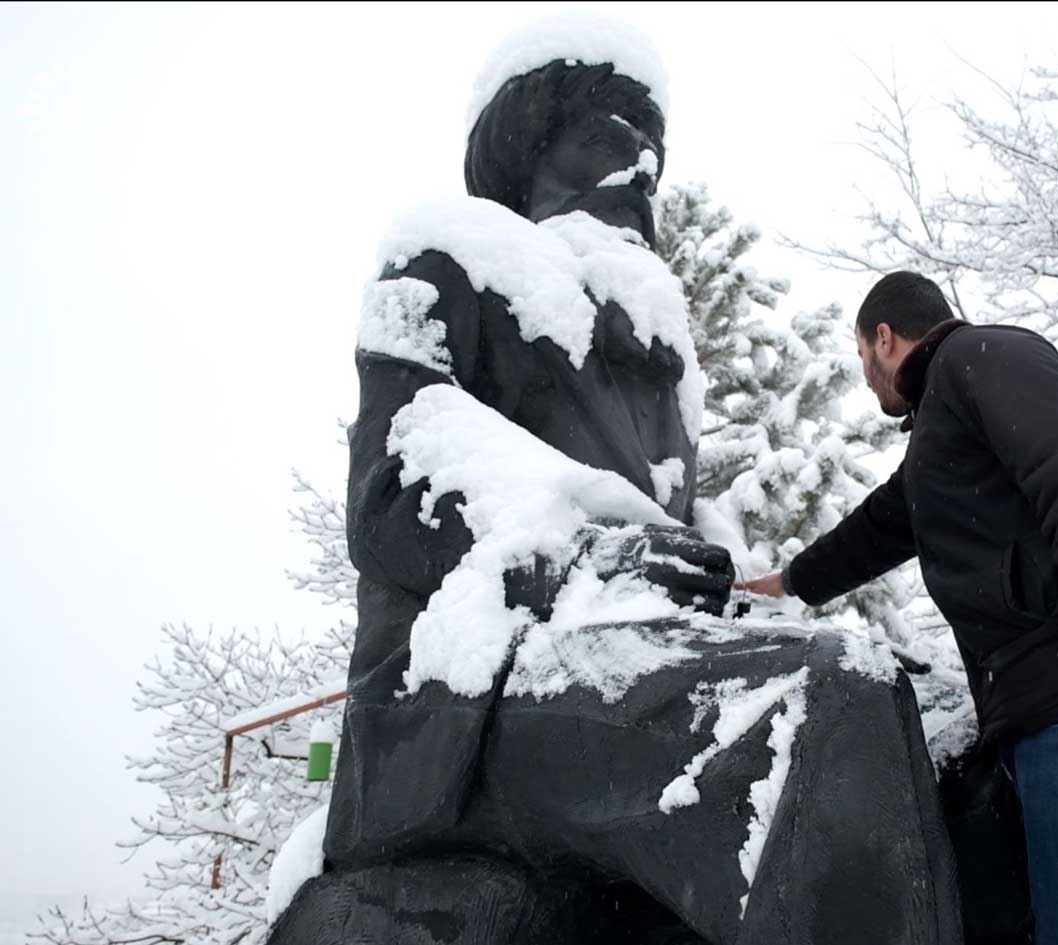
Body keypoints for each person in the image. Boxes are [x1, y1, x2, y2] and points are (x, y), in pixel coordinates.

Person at [273, 36, 971, 945]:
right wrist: (589, 547)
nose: (644, 163)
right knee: (819, 702)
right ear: (527, 151)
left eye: (655, 149)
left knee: (949, 725)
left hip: (619, 659)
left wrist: (748, 586)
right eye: (613, 135)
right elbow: (398, 477)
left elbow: (680, 533)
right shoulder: (441, 256)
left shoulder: (662, 366)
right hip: (473, 685)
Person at [739, 272, 1058, 945]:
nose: (865, 378)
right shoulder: (941, 436)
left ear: (883, 337)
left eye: (861, 357)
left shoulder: (983, 356)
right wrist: (788, 582)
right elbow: (879, 526)